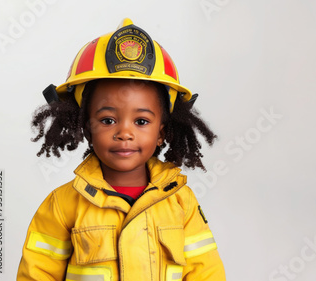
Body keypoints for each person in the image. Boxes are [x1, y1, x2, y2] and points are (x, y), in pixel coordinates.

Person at [17, 18, 225, 281]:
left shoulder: (182, 203)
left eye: (141, 121)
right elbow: (37, 275)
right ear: (86, 127)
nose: (124, 133)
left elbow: (206, 273)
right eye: (107, 120)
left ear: (162, 132)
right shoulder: (61, 205)